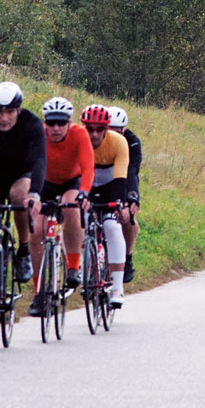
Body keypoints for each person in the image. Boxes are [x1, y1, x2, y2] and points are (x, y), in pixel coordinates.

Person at [31, 96, 91, 314]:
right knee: (36, 230)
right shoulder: (39, 134)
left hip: (71, 181)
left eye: (61, 123)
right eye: (51, 123)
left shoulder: (79, 134)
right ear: (44, 122)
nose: (55, 128)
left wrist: (84, 192)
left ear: (70, 122)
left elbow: (88, 167)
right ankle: (38, 293)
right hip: (45, 183)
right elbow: (33, 165)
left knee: (70, 204)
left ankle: (74, 266)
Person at [0, 81, 44, 286]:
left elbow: (39, 161)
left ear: (19, 109)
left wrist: (35, 194)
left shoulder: (32, 124)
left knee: (20, 196)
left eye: (10, 112)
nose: (4, 118)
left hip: (21, 174)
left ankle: (23, 249)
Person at [81, 105, 128, 308]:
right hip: (86, 185)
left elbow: (121, 178)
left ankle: (117, 286)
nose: (94, 134)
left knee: (112, 227)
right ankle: (83, 270)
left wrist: (120, 204)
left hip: (110, 186)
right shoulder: (78, 140)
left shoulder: (118, 142)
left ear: (106, 129)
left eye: (99, 129)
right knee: (80, 224)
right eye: (89, 128)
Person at [108, 106, 141, 284]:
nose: (112, 136)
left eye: (116, 132)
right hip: (100, 180)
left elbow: (132, 171)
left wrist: (132, 198)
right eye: (108, 131)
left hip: (124, 178)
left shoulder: (132, 142)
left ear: (124, 130)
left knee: (129, 218)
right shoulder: (94, 137)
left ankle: (127, 258)